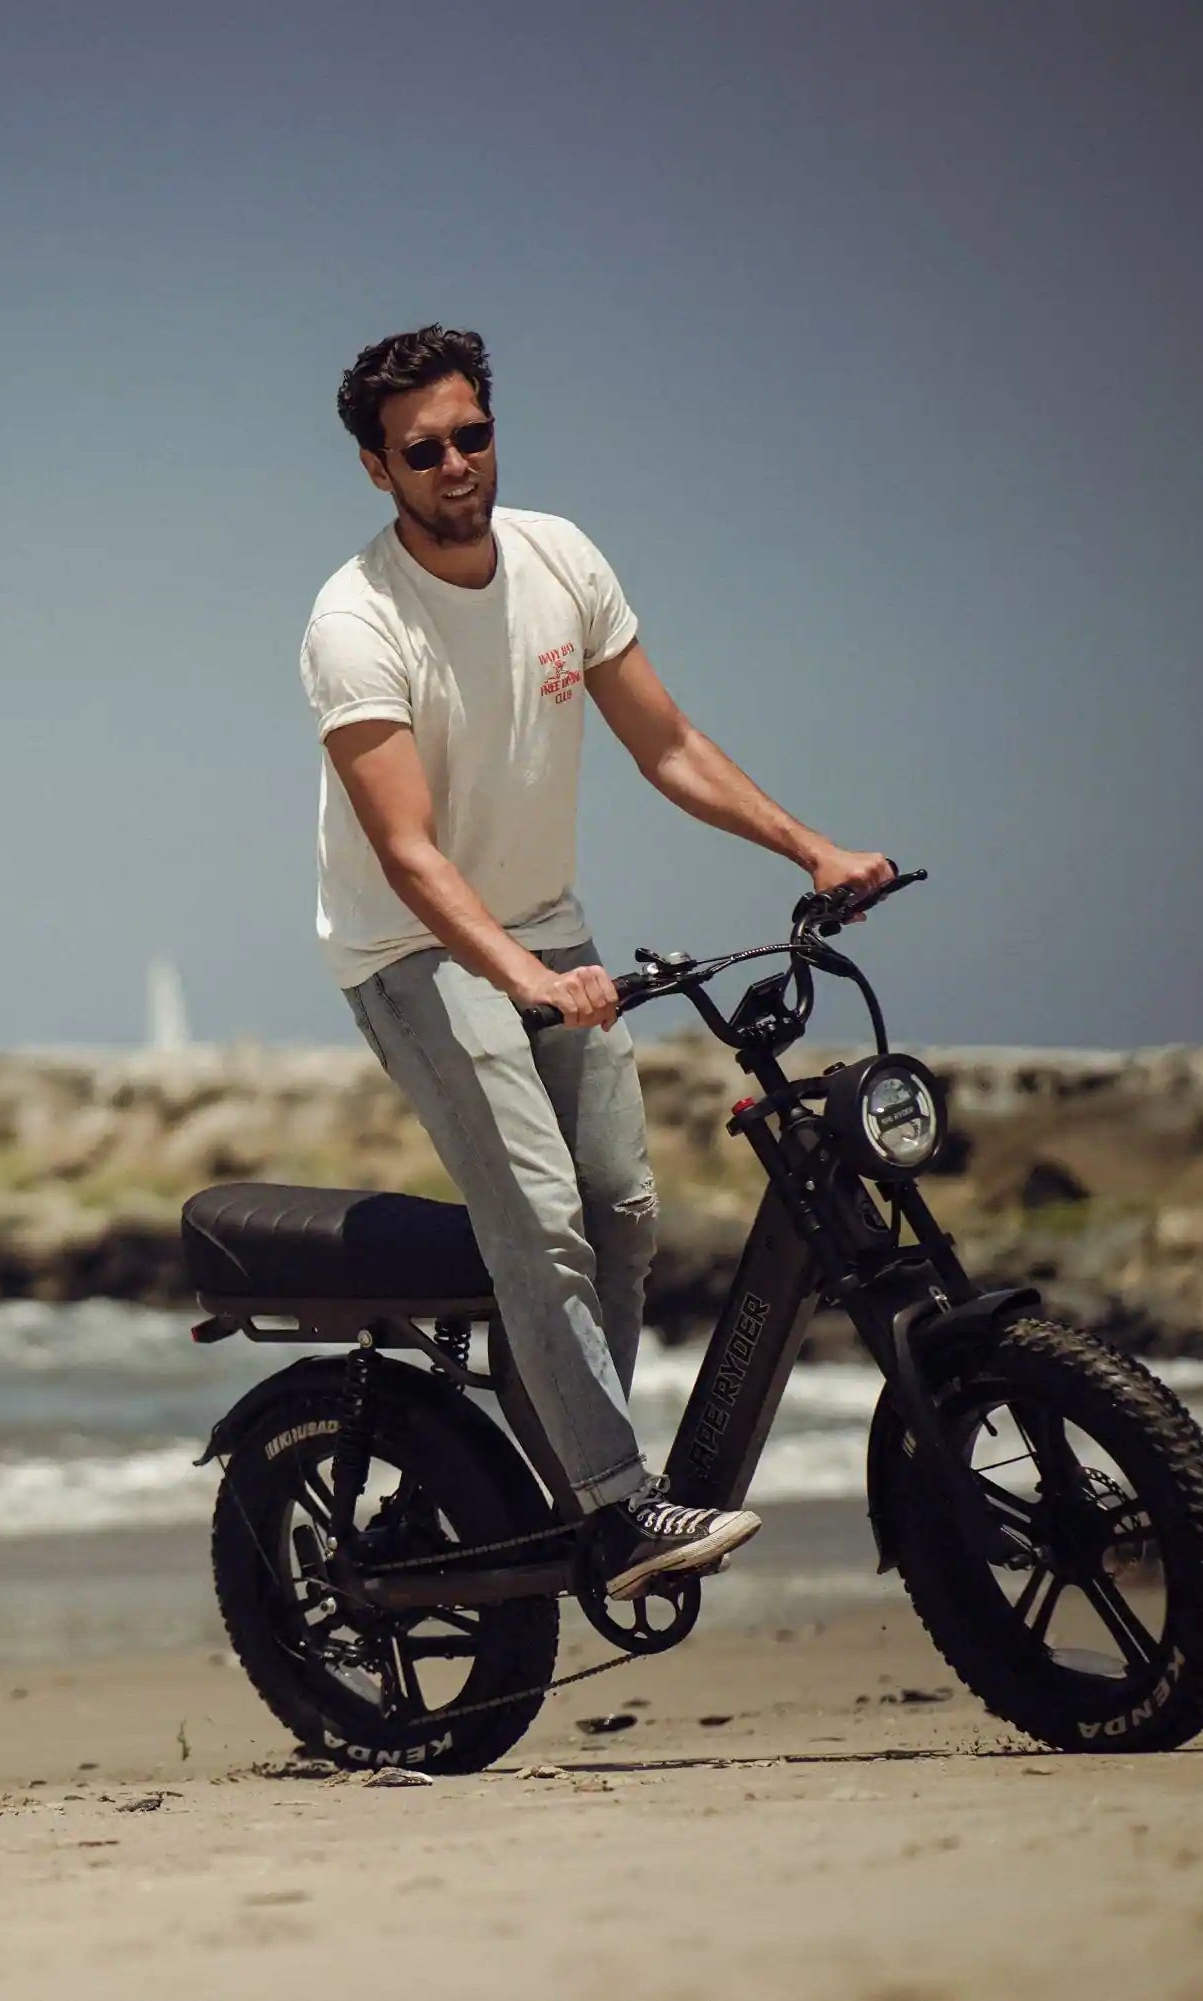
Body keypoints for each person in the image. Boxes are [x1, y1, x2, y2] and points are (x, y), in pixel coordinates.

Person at [303, 325, 893, 1599]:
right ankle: (619, 1512)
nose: (457, 464)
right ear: (376, 469)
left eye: (473, 435)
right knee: (542, 1222)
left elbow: (666, 743)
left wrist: (809, 848)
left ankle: (556, 1467)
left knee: (625, 1210)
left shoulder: (561, 558)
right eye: (423, 450)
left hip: (546, 931)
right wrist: (516, 979)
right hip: (418, 948)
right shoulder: (356, 621)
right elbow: (406, 853)